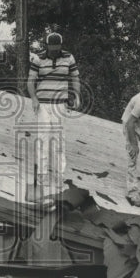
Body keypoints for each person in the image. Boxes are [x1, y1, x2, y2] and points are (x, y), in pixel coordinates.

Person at [27, 33, 81, 203]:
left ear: (61, 46)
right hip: (43, 105)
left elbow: (75, 77)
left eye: (57, 49)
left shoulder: (68, 58)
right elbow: (30, 81)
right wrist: (34, 99)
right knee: (42, 140)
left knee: (59, 141)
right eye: (52, 49)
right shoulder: (38, 59)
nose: (55, 52)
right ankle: (41, 180)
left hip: (60, 104)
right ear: (47, 46)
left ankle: (59, 180)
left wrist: (77, 95)